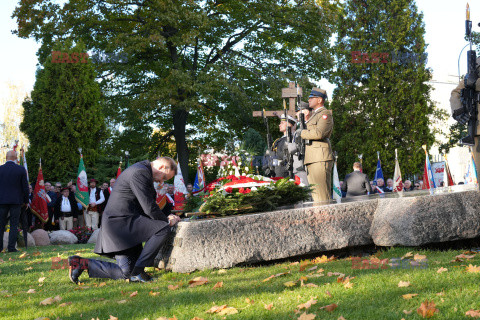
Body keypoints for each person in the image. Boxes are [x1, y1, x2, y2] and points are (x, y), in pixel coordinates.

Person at [68, 156, 181, 283]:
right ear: (161, 167)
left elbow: (147, 205)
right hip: (121, 226)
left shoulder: (141, 170)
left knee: (126, 273)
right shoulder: (140, 172)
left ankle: (80, 263)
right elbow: (148, 206)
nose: (161, 182)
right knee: (163, 228)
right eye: (164, 177)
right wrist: (166, 221)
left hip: (126, 225)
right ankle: (138, 272)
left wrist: (166, 217)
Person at [298, 87, 334, 203]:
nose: (309, 100)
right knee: (316, 195)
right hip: (312, 158)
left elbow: (319, 133)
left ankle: (327, 219)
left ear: (319, 100)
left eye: (311, 98)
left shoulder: (325, 114)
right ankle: (321, 218)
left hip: (319, 158)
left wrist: (302, 133)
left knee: (322, 196)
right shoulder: (314, 115)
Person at [0, 150, 29, 252]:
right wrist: (26, 201)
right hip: (16, 201)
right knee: (14, 224)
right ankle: (11, 247)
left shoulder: (0, 169)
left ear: (6, 157)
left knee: (1, 224)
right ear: (16, 158)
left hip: (1, 201)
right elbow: (25, 188)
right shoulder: (20, 170)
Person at [287, 101, 311, 186]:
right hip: (298, 165)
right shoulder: (300, 129)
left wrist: (289, 146)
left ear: (307, 112)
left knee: (306, 192)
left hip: (302, 165)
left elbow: (294, 147)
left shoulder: (307, 127)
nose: (297, 114)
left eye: (299, 112)